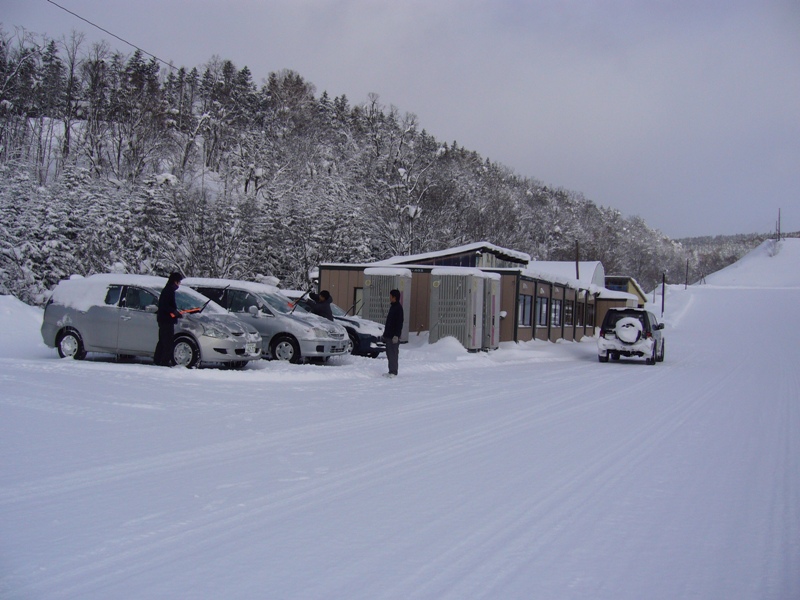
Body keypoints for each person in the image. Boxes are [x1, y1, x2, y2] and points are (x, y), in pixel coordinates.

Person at [154, 272, 183, 366]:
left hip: (164, 319)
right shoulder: (168, 291)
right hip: (166, 320)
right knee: (167, 341)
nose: (179, 284)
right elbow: (164, 306)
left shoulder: (168, 290)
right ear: (175, 281)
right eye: (179, 282)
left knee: (163, 340)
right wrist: (174, 312)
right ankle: (164, 361)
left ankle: (158, 360)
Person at [382, 289, 404, 377]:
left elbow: (399, 323)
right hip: (388, 335)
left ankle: (394, 372)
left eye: (390, 296)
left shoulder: (398, 308)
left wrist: (396, 335)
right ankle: (390, 370)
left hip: (393, 336)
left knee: (393, 353)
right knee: (389, 353)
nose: (389, 297)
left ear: (394, 297)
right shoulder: (393, 307)